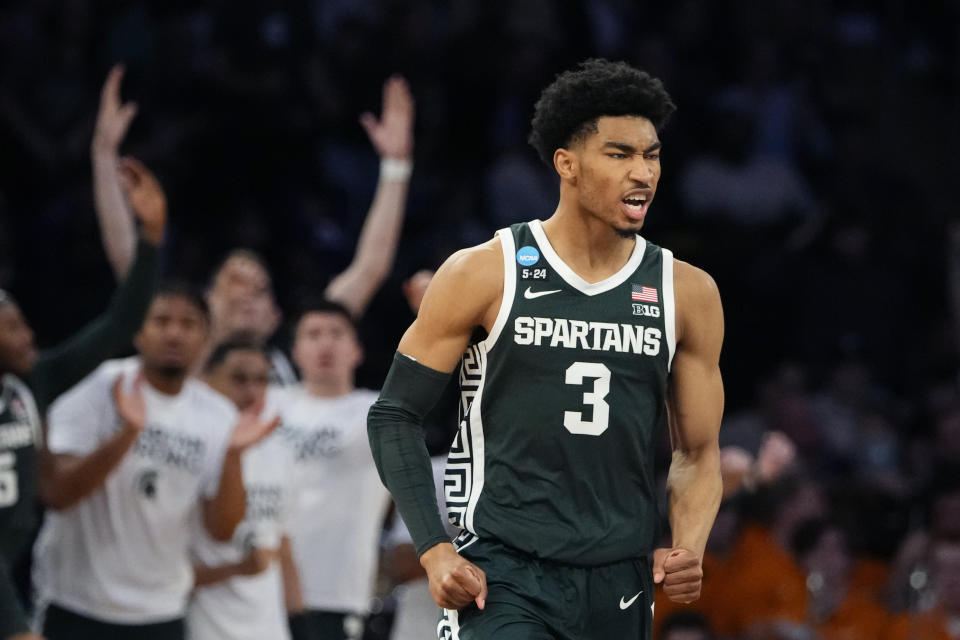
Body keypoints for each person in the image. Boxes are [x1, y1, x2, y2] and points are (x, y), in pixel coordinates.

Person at [368, 58, 725, 640]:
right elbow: (393, 414)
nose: (643, 173)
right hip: (505, 570)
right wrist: (434, 549)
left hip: (620, 577)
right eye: (619, 154)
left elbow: (698, 452)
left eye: (651, 155)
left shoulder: (687, 292)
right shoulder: (486, 271)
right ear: (567, 163)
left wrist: (688, 546)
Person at [91, 67, 417, 384]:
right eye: (233, 282)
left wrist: (395, 166)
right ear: (207, 303)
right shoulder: (181, 352)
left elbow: (369, 269)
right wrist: (104, 155)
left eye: (259, 289)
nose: (246, 296)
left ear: (274, 314)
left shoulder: (297, 356)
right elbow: (129, 264)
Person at [33, 286, 279, 640]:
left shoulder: (217, 414)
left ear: (205, 338)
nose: (175, 333)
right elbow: (56, 494)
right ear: (138, 331)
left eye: (188, 324)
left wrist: (234, 456)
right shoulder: (97, 386)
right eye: (161, 321)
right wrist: (127, 433)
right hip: (76, 603)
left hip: (160, 610)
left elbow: (221, 531)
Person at [0, 156, 165, 640]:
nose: (30, 335)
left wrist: (152, 238)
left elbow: (120, 324)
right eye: (12, 328)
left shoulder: (32, 381)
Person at [276, 299, 393, 640]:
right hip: (260, 591)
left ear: (357, 350)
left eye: (337, 334)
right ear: (295, 351)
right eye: (313, 334)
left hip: (335, 594)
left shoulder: (377, 412)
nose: (325, 343)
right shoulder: (267, 405)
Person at [186, 339, 300, 640]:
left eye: (261, 380)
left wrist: (301, 625)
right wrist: (235, 569)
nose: (251, 392)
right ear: (208, 382)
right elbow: (162, 575)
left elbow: (283, 549)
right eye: (239, 379)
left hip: (269, 630)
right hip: (204, 629)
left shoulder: (279, 451)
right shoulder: (192, 451)